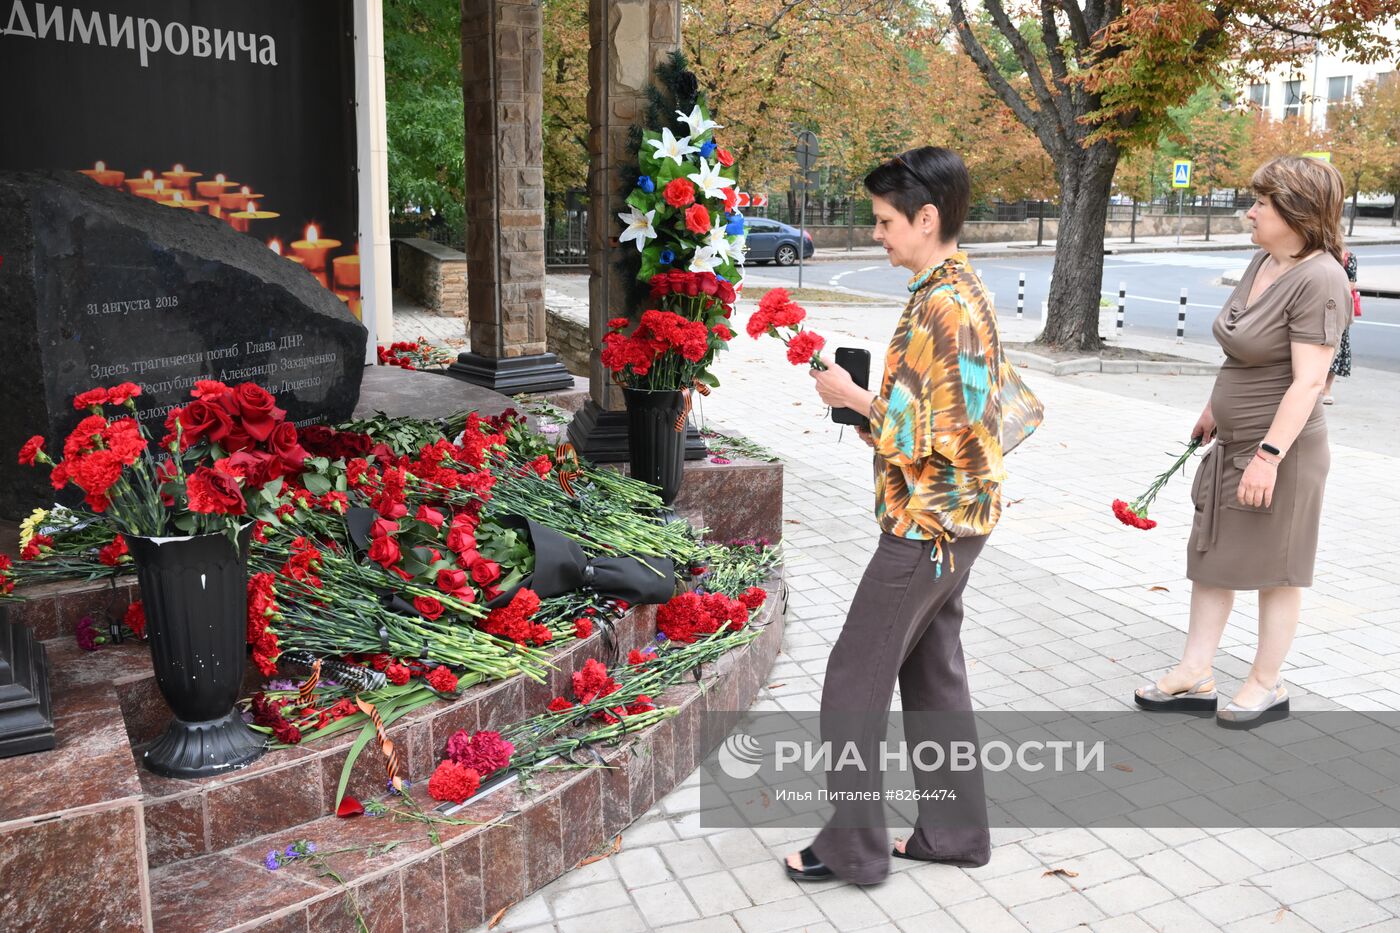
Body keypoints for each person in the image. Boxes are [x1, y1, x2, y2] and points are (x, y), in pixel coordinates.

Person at [781, 146, 1042, 885]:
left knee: (850, 680)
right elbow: (944, 412)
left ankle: (850, 846)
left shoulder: (946, 302)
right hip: (956, 521)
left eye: (886, 221)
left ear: (928, 219)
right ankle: (953, 834)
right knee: (934, 677)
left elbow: (950, 429)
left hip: (928, 525)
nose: (877, 234)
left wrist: (855, 399)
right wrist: (874, 412)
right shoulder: (953, 285)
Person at [1134, 155, 1351, 729]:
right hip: (1232, 440)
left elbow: (1309, 380)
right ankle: (1195, 671)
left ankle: (1266, 682)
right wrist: (1213, 407)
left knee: (1276, 570)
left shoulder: (1321, 277)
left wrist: (1268, 458)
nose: (1248, 211)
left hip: (1280, 452)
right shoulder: (1264, 260)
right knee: (1211, 558)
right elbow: (1240, 352)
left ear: (1297, 211)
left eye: (1261, 203)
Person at [1322, 249, 1358, 405]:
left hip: (1340, 307)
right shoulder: (1320, 255)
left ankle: (1326, 389)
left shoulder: (1348, 257)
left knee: (1337, 347)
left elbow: (1351, 283)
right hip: (1319, 304)